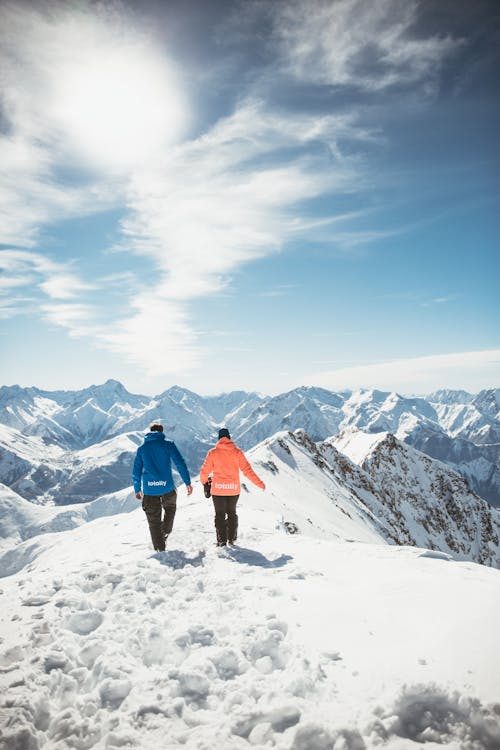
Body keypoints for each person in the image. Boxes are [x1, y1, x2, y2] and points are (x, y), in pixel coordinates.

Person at [200, 428, 265, 547]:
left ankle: (222, 541)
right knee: (232, 513)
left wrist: (204, 483)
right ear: (229, 438)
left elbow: (204, 471)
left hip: (218, 491)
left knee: (219, 515)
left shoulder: (213, 453)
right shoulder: (237, 452)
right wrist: (260, 483)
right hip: (233, 490)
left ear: (219, 439)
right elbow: (247, 470)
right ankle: (232, 538)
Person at [132, 423, 192, 551]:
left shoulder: (142, 448)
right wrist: (187, 482)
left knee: (154, 522)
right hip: (167, 488)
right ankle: (165, 531)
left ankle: (160, 550)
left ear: (150, 432)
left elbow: (136, 471)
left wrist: (137, 489)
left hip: (149, 489)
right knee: (170, 509)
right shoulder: (168, 445)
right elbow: (180, 463)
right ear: (161, 432)